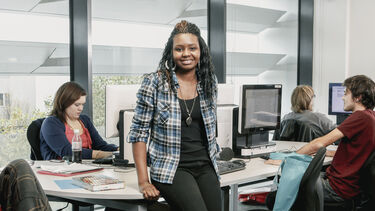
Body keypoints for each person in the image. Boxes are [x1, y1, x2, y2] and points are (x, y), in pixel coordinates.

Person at [127, 20, 221, 211]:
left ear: (200, 50)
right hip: (172, 168)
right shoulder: (155, 83)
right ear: (171, 52)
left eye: (192, 48)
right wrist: (144, 181)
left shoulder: (208, 82)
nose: (186, 54)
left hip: (206, 165)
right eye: (179, 49)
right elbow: (139, 134)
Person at [295, 75, 375, 203]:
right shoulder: (370, 116)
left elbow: (319, 143)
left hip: (338, 188)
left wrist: (290, 157)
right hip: (347, 186)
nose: (342, 97)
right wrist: (328, 153)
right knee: (298, 178)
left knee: (284, 187)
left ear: (358, 97)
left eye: (346, 93)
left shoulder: (360, 117)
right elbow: (357, 153)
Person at [40, 81, 118, 160]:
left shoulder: (85, 120)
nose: (81, 108)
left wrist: (119, 150)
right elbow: (67, 152)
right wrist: (100, 154)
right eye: (77, 105)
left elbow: (100, 145)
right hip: (62, 169)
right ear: (64, 103)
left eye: (82, 104)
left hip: (86, 167)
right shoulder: (51, 123)